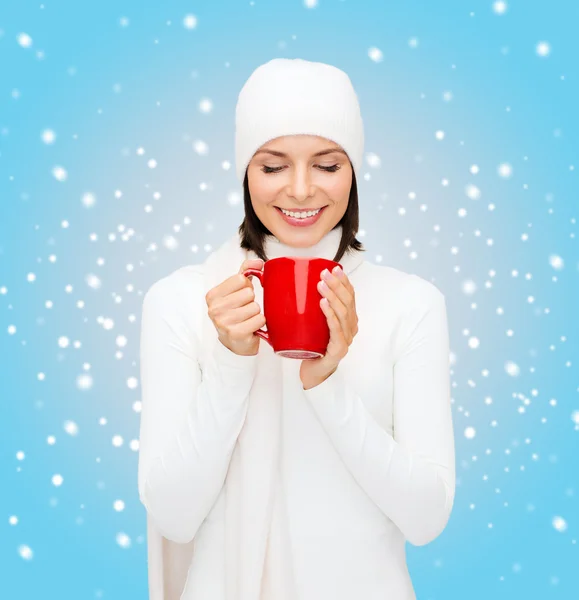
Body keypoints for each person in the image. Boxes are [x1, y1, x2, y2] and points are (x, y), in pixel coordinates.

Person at [137, 58, 456, 600]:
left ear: (354, 173)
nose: (302, 190)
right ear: (244, 172)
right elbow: (173, 516)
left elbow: (426, 518)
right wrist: (233, 363)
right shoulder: (183, 301)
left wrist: (326, 384)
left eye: (328, 165)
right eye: (273, 166)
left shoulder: (411, 304)